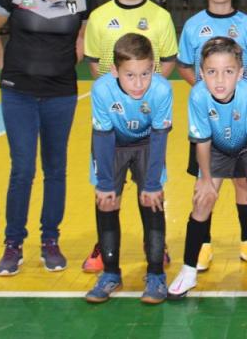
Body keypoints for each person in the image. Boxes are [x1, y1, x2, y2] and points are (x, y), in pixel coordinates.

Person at [0, 0, 95, 276]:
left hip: (61, 93)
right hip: (19, 94)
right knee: (23, 169)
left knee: (56, 169)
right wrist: (6, 68)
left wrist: (64, 64)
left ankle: (50, 241)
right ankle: (13, 244)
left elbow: (83, 37)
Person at [80, 0, 178, 274]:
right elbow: (95, 63)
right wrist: (119, 96)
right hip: (113, 116)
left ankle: (156, 243)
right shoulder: (98, 17)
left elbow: (168, 60)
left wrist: (143, 92)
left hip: (148, 120)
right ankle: (104, 245)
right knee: (109, 186)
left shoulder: (161, 18)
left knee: (151, 185)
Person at [168, 38, 247, 300]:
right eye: (212, 72)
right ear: (201, 74)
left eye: (228, 71)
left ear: (240, 73)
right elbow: (202, 140)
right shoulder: (198, 95)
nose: (220, 80)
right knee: (202, 200)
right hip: (217, 148)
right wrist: (206, 179)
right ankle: (188, 270)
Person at [176, 0, 247, 271]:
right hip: (208, 118)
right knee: (207, 181)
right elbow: (185, 66)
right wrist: (205, 90)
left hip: (241, 116)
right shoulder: (192, 26)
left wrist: (237, 91)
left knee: (244, 182)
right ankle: (202, 245)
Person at [84, 34, 173, 304]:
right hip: (113, 144)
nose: (138, 83)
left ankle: (156, 275)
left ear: (154, 68)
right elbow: (102, 137)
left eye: (145, 74)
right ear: (114, 71)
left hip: (147, 143)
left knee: (152, 202)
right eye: (130, 75)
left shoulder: (161, 89)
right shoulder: (101, 90)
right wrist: (106, 183)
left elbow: (159, 137)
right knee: (107, 202)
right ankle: (110, 273)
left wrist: (153, 184)